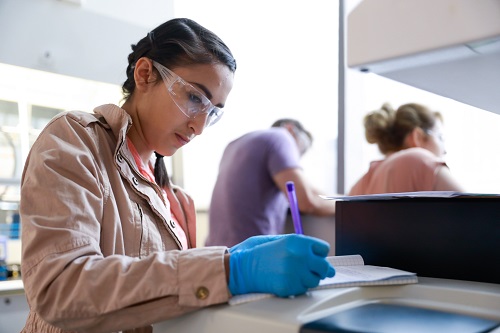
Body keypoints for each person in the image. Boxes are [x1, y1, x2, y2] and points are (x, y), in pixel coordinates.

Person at [19, 18, 335, 333]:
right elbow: (61, 288)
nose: (199, 126)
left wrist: (225, 259)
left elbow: (163, 299)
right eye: (194, 97)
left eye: (213, 111)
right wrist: (227, 270)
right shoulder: (76, 140)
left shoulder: (176, 199)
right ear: (145, 74)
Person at [205, 119, 337, 247]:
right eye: (302, 149)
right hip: (250, 256)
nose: (297, 157)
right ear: (291, 128)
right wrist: (345, 206)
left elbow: (308, 190)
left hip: (217, 255)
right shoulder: (282, 137)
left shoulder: (236, 144)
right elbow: (306, 201)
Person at [349, 102, 465, 195]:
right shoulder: (418, 159)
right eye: (440, 137)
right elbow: (475, 210)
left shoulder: (360, 184)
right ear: (418, 136)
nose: (444, 151)